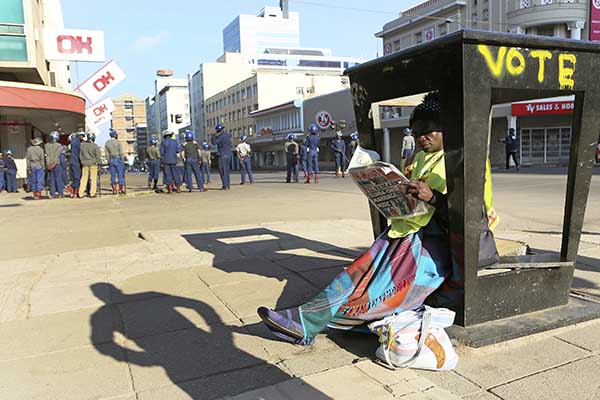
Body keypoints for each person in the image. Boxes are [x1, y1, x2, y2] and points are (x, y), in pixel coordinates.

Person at [256, 92, 498, 346]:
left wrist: (433, 197)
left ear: (447, 128)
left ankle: (306, 323)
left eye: (428, 131)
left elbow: (470, 217)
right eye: (416, 134)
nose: (421, 138)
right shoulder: (421, 158)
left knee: (377, 292)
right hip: (406, 232)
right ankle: (304, 320)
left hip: (436, 246)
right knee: (355, 276)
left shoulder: (467, 161)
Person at [210, 124, 232, 190]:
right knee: (227, 171)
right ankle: (227, 185)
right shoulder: (227, 135)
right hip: (229, 154)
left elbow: (214, 142)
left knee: (222, 170)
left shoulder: (221, 137)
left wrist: (213, 136)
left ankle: (225, 185)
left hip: (222, 155)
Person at [79, 132, 100, 198]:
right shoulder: (95, 146)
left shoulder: (82, 145)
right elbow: (98, 156)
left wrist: (82, 161)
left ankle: (81, 193)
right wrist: (98, 162)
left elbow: (80, 155)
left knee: (83, 178)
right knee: (93, 179)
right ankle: (92, 193)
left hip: (85, 164)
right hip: (93, 163)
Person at [105, 130, 126, 194]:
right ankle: (120, 189)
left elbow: (106, 154)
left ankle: (114, 189)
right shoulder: (118, 142)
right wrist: (122, 160)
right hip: (118, 159)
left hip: (111, 159)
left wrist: (108, 160)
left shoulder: (107, 143)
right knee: (120, 174)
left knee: (113, 175)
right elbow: (121, 152)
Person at [45, 131, 64, 198]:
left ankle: (52, 194)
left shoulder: (46, 145)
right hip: (56, 164)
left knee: (51, 179)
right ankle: (60, 193)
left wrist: (48, 164)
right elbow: (57, 155)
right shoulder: (59, 145)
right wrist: (54, 163)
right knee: (58, 179)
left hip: (49, 164)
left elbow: (47, 155)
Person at [69, 131, 84, 198]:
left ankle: (72, 192)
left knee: (72, 178)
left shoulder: (72, 143)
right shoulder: (78, 143)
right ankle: (76, 192)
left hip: (72, 161)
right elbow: (80, 153)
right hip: (76, 162)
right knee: (77, 177)